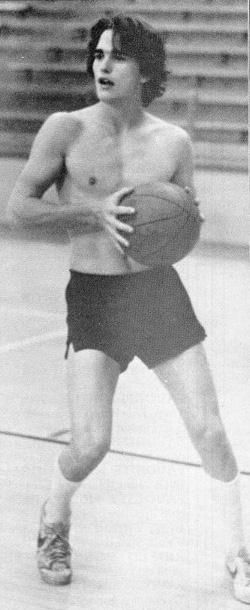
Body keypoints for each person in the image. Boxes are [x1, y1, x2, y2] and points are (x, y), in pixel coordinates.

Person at [7, 14, 249, 603]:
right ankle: (55, 518)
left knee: (210, 430)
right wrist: (91, 214)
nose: (102, 66)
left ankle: (240, 551)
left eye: (116, 56)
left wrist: (184, 226)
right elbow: (18, 207)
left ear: (146, 70)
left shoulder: (174, 143)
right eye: (97, 55)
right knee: (90, 443)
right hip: (94, 294)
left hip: (156, 294)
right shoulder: (64, 128)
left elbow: (181, 221)